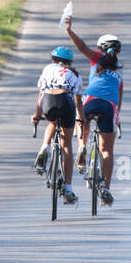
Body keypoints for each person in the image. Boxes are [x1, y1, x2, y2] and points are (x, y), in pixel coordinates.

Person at [64, 21, 123, 205]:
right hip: (109, 106)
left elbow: (81, 47)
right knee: (107, 151)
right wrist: (117, 120)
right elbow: (119, 101)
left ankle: (82, 146)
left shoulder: (97, 58)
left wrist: (69, 30)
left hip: (90, 99)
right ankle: (105, 188)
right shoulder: (120, 74)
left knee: (82, 120)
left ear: (101, 48)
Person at [31, 46, 83, 205]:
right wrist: (81, 119)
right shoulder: (74, 74)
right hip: (65, 102)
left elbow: (41, 94)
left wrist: (37, 116)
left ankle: (44, 148)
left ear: (53, 60)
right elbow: (78, 101)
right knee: (66, 144)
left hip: (47, 102)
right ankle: (67, 188)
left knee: (52, 122)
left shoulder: (47, 69)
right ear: (69, 62)